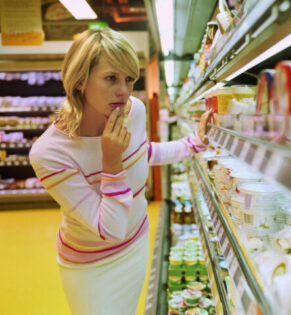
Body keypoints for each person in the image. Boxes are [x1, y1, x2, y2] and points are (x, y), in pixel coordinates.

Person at [29, 28, 213, 315]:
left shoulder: (133, 111)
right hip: (91, 265)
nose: (124, 91)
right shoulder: (50, 153)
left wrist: (194, 143)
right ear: (79, 81)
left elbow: (143, 154)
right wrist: (111, 162)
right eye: (111, 78)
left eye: (129, 79)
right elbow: (110, 228)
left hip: (137, 241)